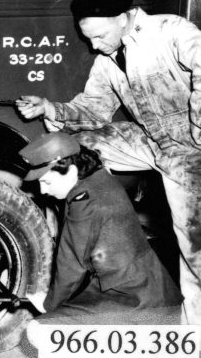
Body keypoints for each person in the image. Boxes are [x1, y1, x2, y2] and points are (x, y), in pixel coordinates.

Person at [17, 0, 201, 351]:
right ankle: (94, 222)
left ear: (124, 18)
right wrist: (48, 108)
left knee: (199, 248)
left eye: (99, 36)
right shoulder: (108, 60)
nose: (94, 46)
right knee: (78, 143)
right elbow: (91, 111)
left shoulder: (169, 31)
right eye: (88, 39)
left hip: (199, 150)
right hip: (153, 141)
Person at [20, 132, 182, 317]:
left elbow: (71, 264)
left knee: (39, 333)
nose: (43, 190)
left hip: (132, 298)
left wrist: (49, 305)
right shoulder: (97, 177)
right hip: (150, 283)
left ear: (71, 171)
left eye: (46, 181)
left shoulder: (85, 203)